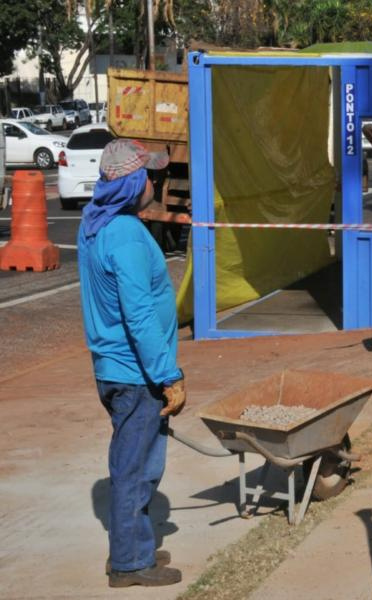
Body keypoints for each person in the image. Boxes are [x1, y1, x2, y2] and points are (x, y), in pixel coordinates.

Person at [78, 139, 186, 588]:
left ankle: (133, 544)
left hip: (114, 367)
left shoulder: (97, 221)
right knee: (136, 468)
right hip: (136, 373)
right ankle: (129, 564)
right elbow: (138, 315)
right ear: (131, 183)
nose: (155, 181)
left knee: (133, 463)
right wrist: (168, 375)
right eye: (149, 175)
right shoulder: (123, 235)